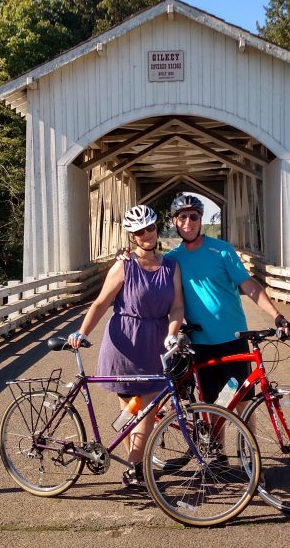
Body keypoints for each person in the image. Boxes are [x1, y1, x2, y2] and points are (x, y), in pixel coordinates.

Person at [67, 204, 184, 489]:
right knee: (134, 411)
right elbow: (100, 302)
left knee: (145, 410)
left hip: (156, 342)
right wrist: (81, 332)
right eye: (139, 231)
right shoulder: (124, 265)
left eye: (151, 228)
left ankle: (134, 467)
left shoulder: (170, 265)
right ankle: (135, 469)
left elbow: (178, 306)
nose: (147, 235)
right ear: (132, 236)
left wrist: (172, 333)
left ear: (158, 229)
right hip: (125, 343)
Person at [165, 194, 290, 407]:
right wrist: (126, 256)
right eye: (182, 217)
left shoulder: (222, 250)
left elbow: (249, 286)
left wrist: (277, 315)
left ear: (200, 220)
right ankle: (217, 443)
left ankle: (247, 442)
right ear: (174, 221)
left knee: (242, 403)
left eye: (193, 217)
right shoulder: (171, 259)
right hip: (200, 344)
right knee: (211, 406)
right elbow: (146, 267)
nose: (188, 222)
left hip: (233, 338)